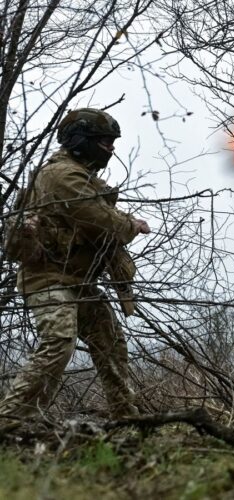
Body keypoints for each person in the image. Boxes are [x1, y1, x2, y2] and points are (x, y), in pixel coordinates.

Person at [0, 108, 150, 426]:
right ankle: (9, 420)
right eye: (103, 141)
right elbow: (98, 219)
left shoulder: (82, 177)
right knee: (59, 341)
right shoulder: (62, 175)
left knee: (110, 341)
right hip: (48, 279)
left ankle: (125, 417)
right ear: (81, 141)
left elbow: (96, 218)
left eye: (111, 142)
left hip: (77, 281)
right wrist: (130, 225)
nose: (110, 148)